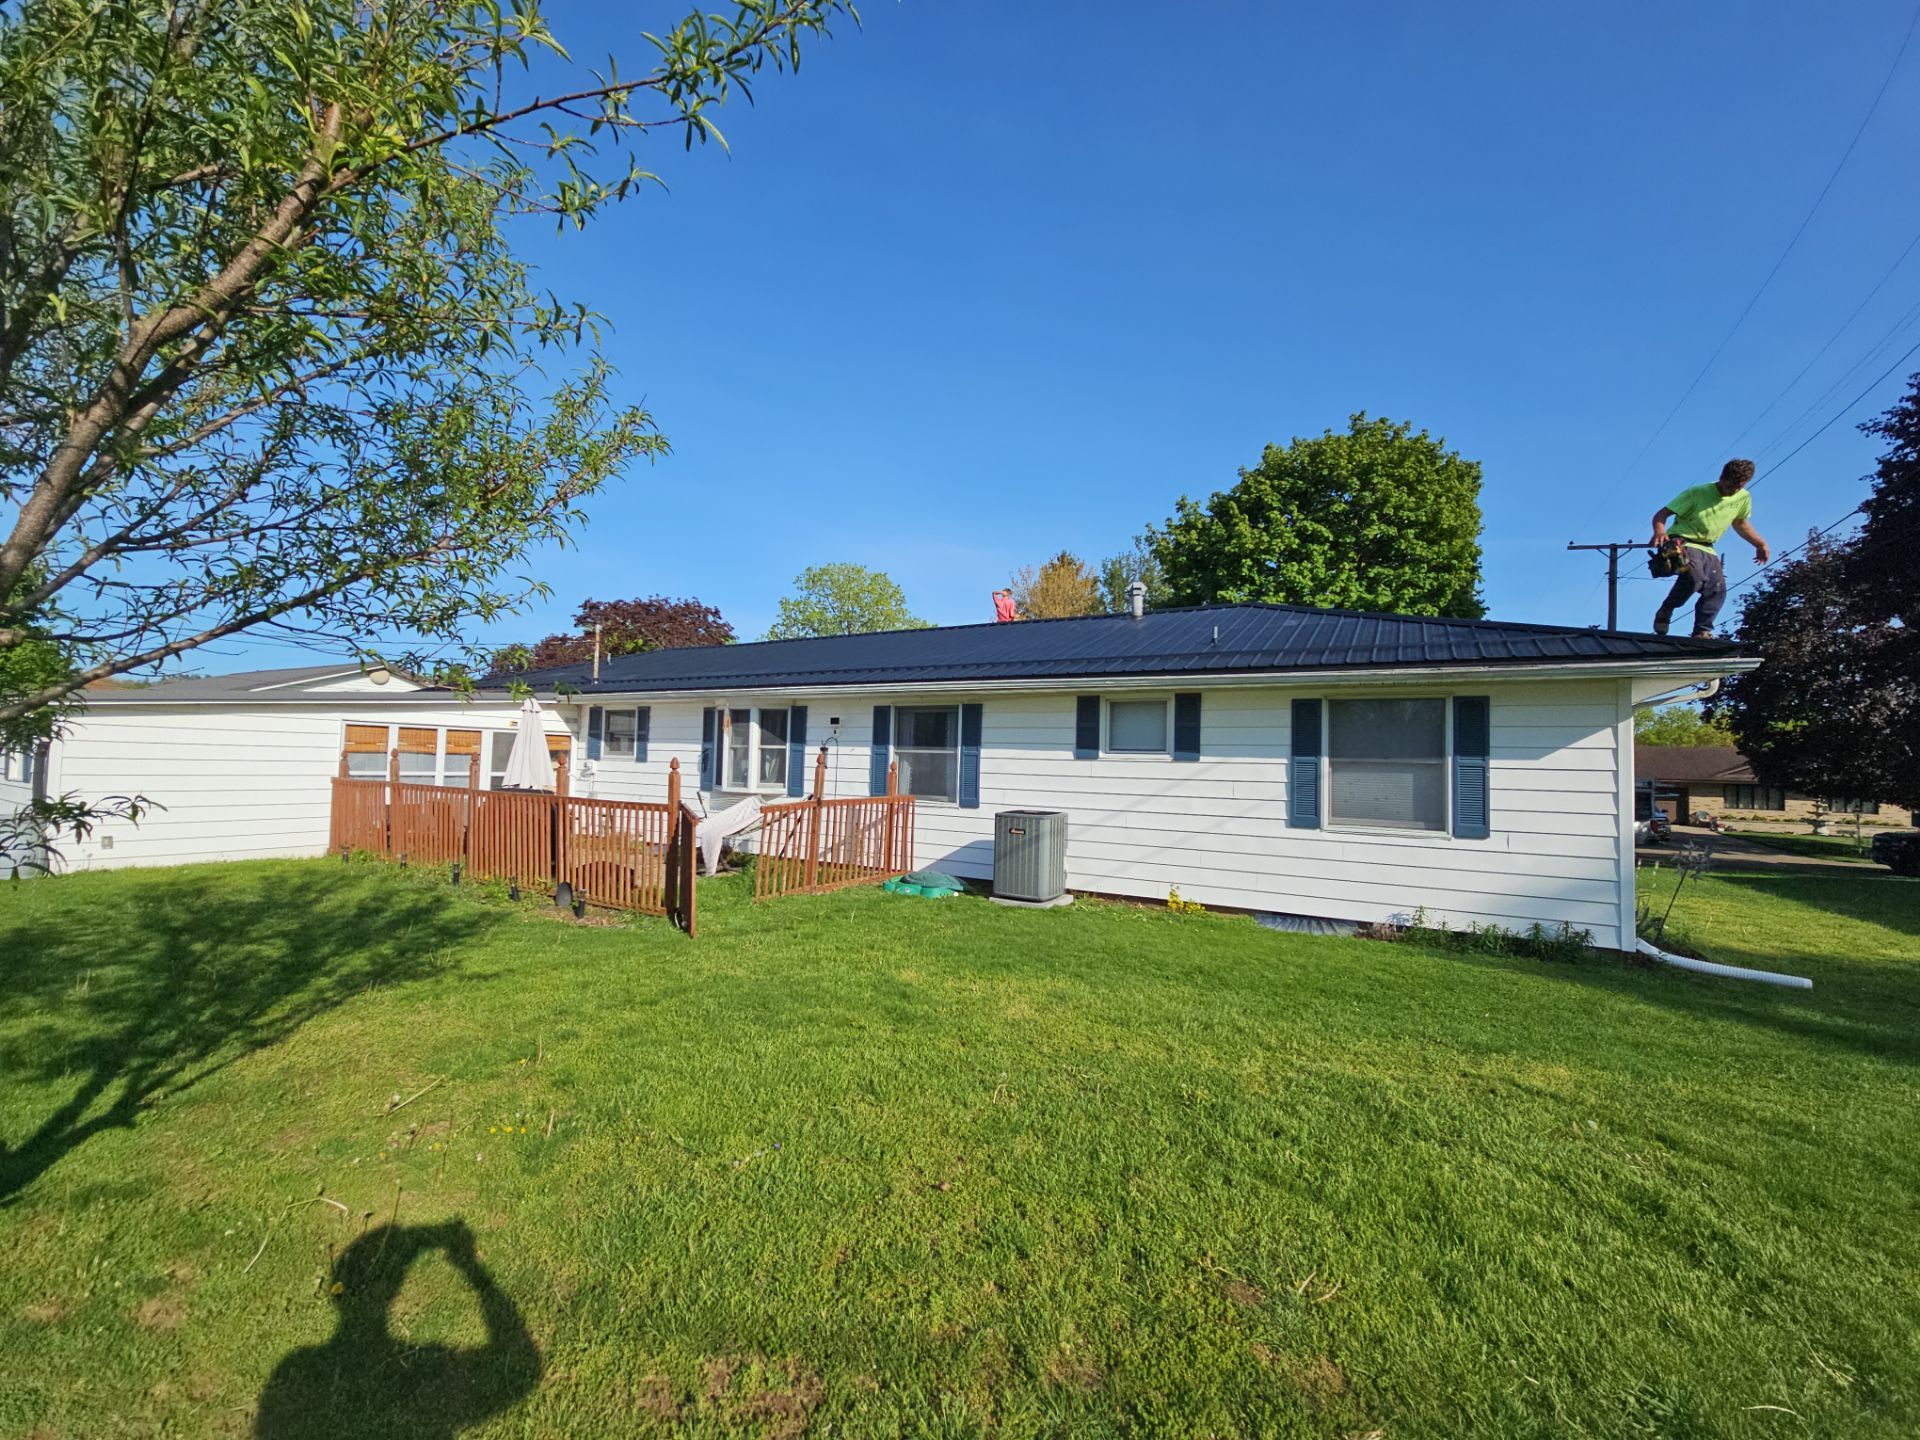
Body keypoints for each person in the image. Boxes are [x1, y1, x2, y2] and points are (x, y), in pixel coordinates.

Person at [1649, 458, 1770, 637]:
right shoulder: (1697, 493)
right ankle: (1666, 610)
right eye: (1730, 486)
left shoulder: (1743, 497)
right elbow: (1661, 515)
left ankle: (1702, 631)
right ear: (1722, 477)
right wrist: (1660, 531)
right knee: (1694, 578)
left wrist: (1759, 543)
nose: (1732, 491)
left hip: (1708, 547)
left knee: (1717, 589)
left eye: (1738, 487)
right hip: (1683, 542)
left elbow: (1741, 523)